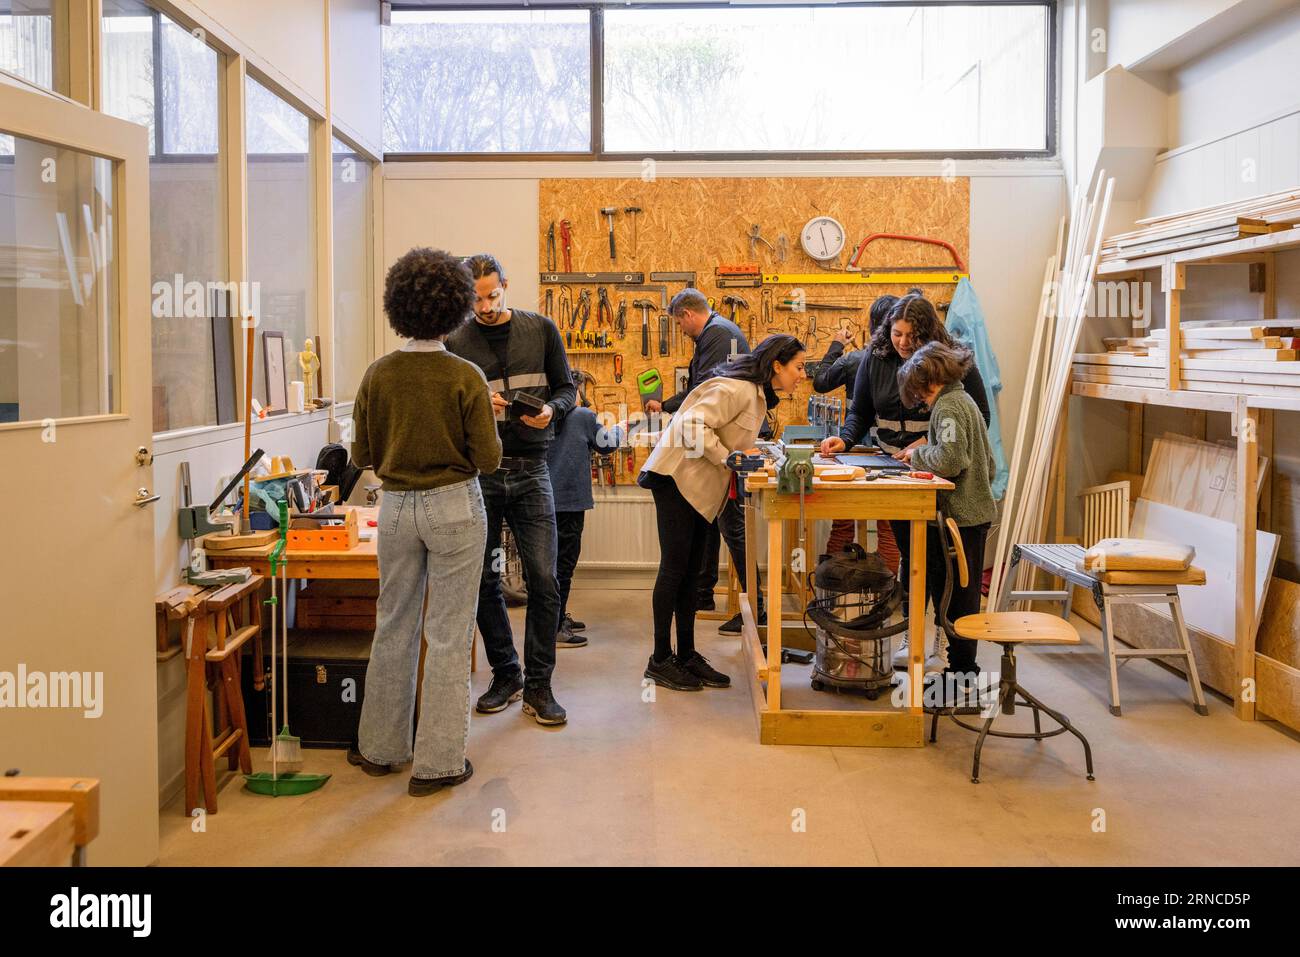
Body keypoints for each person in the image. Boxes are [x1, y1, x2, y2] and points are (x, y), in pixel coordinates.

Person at [348, 247, 502, 797]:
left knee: (393, 626)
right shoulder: (466, 376)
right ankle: (437, 764)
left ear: (398, 305)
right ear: (456, 308)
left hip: (393, 510)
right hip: (455, 506)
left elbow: (362, 451)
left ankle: (381, 750)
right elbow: (488, 460)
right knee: (449, 635)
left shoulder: (377, 374)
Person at [819, 293, 991, 672]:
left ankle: (950, 653)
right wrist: (845, 440)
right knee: (915, 564)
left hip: (940, 481)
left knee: (950, 576)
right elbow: (860, 412)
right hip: (896, 470)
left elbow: (969, 431)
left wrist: (924, 446)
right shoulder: (875, 358)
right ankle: (916, 639)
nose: (902, 344)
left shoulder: (950, 379)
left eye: (912, 338)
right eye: (897, 334)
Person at [446, 254, 576, 727]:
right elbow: (449, 411)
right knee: (482, 581)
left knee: (544, 579)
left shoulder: (541, 329)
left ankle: (540, 687)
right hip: (480, 474)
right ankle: (507, 674)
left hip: (532, 469)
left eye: (492, 295)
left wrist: (552, 412)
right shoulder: (455, 342)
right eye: (474, 298)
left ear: (506, 286)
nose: (484, 306)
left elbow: (568, 388)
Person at [638, 334, 807, 692]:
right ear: (777, 365)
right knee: (674, 570)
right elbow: (690, 426)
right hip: (676, 479)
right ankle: (659, 660)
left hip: (699, 488)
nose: (802, 375)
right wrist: (727, 457)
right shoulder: (737, 389)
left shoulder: (756, 395)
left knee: (692, 572)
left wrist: (754, 452)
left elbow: (731, 436)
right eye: (799, 367)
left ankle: (685, 654)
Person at [647, 289, 763, 635]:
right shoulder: (720, 332)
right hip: (719, 450)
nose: (681, 330)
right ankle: (703, 593)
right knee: (714, 523)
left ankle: (756, 610)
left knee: (733, 530)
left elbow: (703, 391)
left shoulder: (717, 333)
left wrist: (670, 407)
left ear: (686, 314)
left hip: (718, 451)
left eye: (679, 323)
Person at [895, 341, 996, 693]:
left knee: (957, 598)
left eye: (919, 394)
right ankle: (961, 672)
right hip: (971, 515)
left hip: (963, 520)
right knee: (958, 596)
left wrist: (919, 455)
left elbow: (952, 460)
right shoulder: (964, 400)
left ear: (928, 381)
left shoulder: (949, 407)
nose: (920, 401)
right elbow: (989, 465)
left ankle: (963, 676)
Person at [812, 295, 898, 556]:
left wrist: (836, 344)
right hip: (887, 454)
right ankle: (887, 594)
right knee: (888, 527)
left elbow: (821, 381)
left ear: (872, 326)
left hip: (855, 451)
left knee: (843, 523)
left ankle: (832, 592)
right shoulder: (903, 363)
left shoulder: (855, 360)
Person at [546, 374, 626, 648]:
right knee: (564, 566)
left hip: (542, 502)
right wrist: (621, 428)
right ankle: (556, 627)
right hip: (569, 501)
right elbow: (607, 445)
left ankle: (555, 619)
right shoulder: (582, 416)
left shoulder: (541, 415)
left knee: (549, 566)